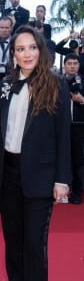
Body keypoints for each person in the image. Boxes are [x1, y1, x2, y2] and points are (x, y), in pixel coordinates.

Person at [0, 26, 71, 281]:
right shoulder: (5, 85)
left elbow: (64, 135)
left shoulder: (56, 84)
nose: (26, 54)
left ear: (40, 50)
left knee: (34, 245)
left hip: (40, 176)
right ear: (13, 54)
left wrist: (62, 179)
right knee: (13, 243)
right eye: (20, 49)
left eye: (32, 47)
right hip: (9, 175)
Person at [62, 53, 84, 204]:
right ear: (64, 65)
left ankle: (76, 192)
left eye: (75, 63)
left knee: (77, 161)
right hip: (60, 127)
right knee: (60, 160)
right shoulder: (57, 80)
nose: (72, 66)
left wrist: (81, 99)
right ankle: (60, 191)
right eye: (69, 63)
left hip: (78, 126)